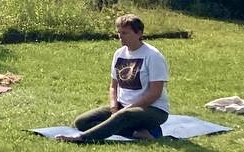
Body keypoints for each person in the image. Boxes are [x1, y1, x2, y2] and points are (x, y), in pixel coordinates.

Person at [57, 14, 170, 143]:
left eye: (125, 33)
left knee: (124, 116)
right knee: (82, 122)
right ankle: (138, 132)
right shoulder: (119, 53)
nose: (120, 37)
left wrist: (127, 109)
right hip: (122, 107)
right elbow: (113, 86)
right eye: (119, 33)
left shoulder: (153, 56)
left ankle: (82, 138)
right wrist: (113, 107)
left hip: (153, 109)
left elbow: (155, 93)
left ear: (139, 33)